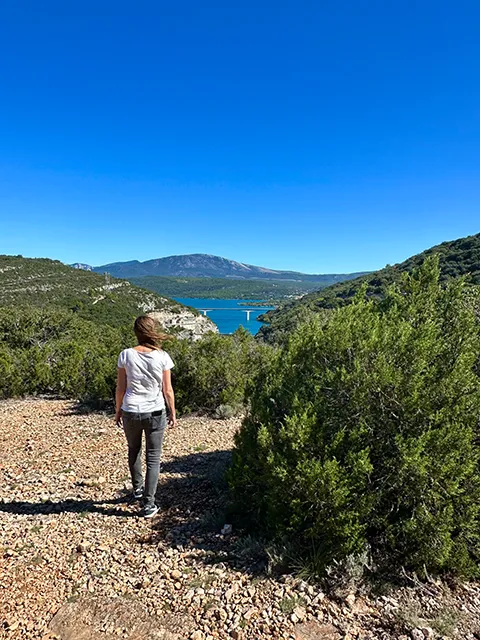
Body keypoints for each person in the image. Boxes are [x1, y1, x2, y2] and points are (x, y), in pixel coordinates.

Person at [115, 315, 177, 518]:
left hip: (131, 410)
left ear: (136, 332)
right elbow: (167, 390)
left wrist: (118, 411)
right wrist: (173, 412)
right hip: (155, 411)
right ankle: (149, 504)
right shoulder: (162, 356)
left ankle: (138, 489)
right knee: (154, 458)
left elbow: (120, 389)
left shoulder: (125, 355)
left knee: (134, 450)